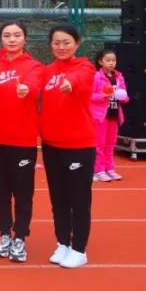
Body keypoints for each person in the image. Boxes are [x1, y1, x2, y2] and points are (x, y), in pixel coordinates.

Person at [0, 21, 42, 264]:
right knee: (0, 192)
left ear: (25, 38)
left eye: (17, 35)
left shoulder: (34, 66)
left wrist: (27, 89)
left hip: (22, 141)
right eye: (7, 35)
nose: (12, 40)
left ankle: (20, 237)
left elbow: (35, 85)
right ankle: (4, 234)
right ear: (1, 39)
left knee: (23, 192)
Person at [39, 24, 97, 269]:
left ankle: (79, 249)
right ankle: (63, 242)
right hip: (51, 144)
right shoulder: (47, 71)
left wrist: (70, 83)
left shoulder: (85, 66)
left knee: (78, 199)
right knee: (58, 198)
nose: (61, 47)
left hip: (78, 145)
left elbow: (79, 79)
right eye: (56, 43)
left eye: (66, 42)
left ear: (77, 43)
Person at [90, 49, 129, 183]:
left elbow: (125, 96)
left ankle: (109, 168)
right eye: (108, 60)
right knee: (99, 144)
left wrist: (123, 97)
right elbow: (90, 96)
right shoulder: (96, 77)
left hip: (114, 114)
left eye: (113, 60)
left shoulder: (119, 77)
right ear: (100, 62)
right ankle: (99, 170)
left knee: (110, 143)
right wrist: (103, 96)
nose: (111, 63)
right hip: (100, 116)